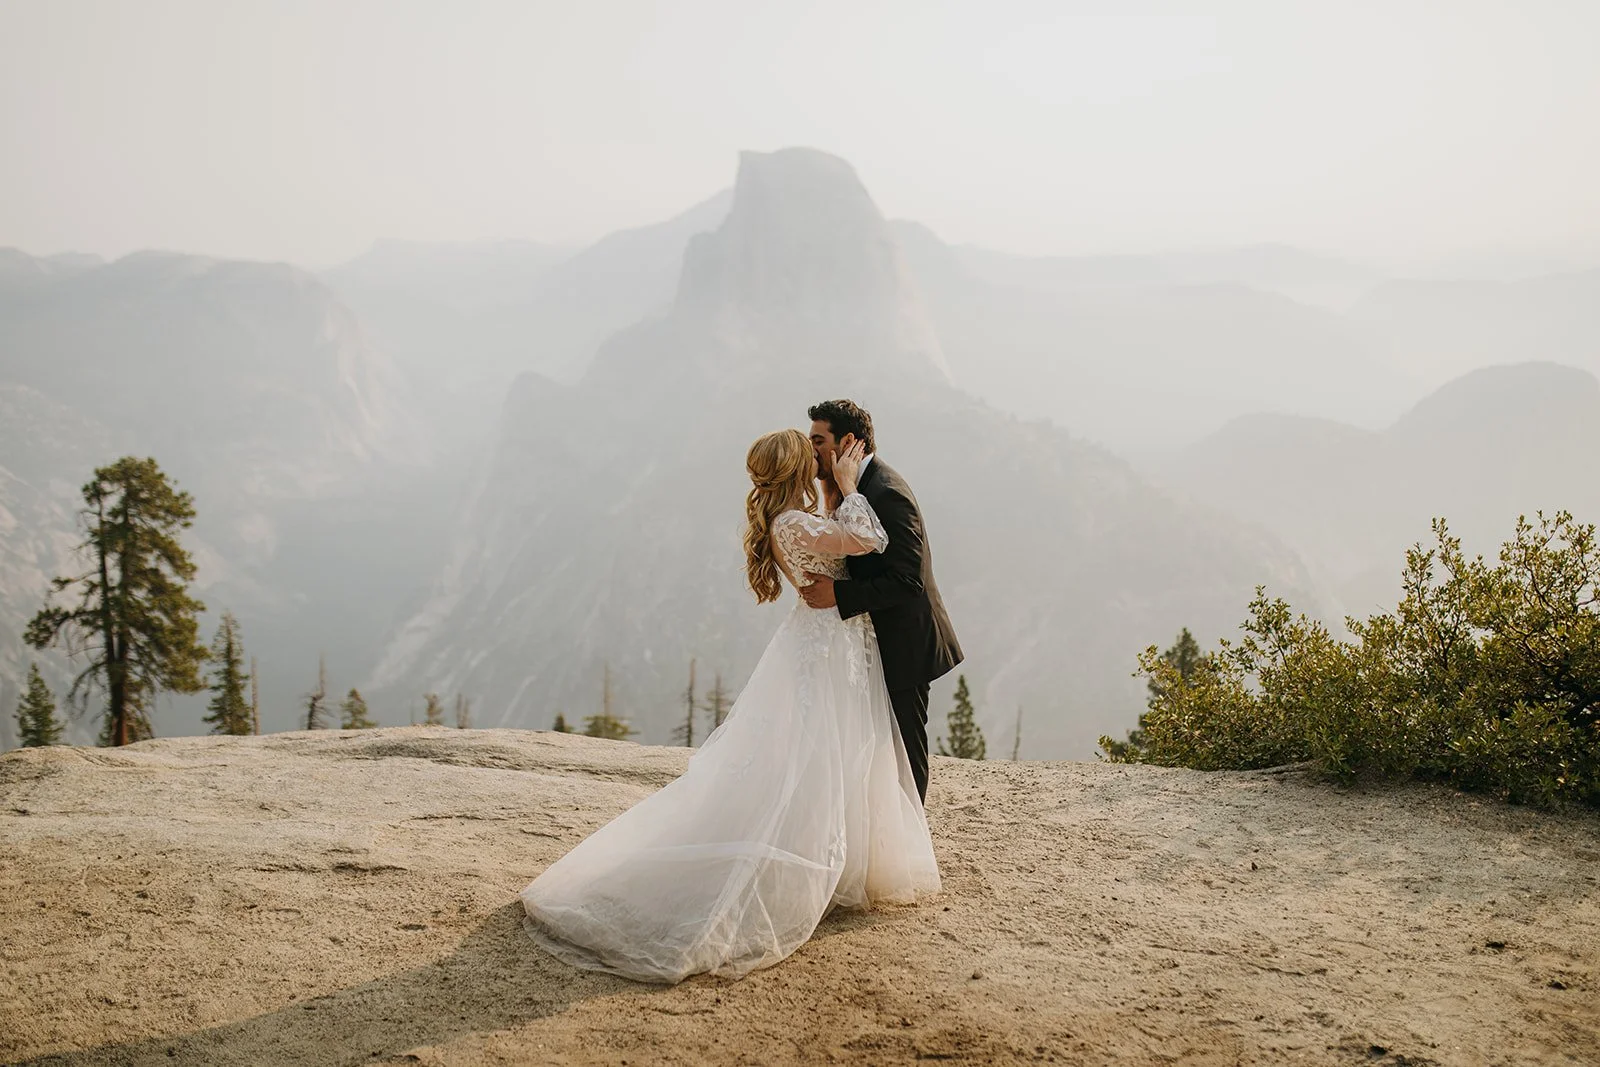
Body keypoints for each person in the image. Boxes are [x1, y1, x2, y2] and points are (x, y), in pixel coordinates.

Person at [520, 428, 939, 984]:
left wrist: (835, 497)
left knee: (835, 752)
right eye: (810, 454)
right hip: (828, 647)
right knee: (820, 753)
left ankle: (840, 862)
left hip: (829, 640)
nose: (820, 458)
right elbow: (868, 538)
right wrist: (847, 485)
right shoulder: (794, 523)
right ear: (796, 470)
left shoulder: (788, 520)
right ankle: (814, 863)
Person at [801, 399, 963, 802]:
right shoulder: (856, 488)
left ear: (847, 442)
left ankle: (913, 836)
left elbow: (908, 581)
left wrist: (837, 594)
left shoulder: (886, 492)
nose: (811, 449)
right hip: (874, 641)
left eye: (818, 440)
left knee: (904, 751)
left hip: (903, 643)